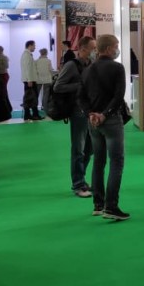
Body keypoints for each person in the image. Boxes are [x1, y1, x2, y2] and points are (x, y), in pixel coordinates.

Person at [79, 34, 129, 220]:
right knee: (116, 162)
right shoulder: (117, 68)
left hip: (93, 122)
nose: (117, 49)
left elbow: (80, 97)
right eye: (116, 46)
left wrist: (90, 114)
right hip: (111, 121)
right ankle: (111, 206)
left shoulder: (87, 70)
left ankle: (98, 204)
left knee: (98, 162)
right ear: (108, 48)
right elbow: (119, 96)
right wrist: (105, 114)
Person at [53, 36, 96, 197]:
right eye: (92, 48)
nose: (95, 51)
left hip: (90, 110)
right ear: (83, 49)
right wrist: (81, 86)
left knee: (90, 148)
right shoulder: (71, 65)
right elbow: (58, 87)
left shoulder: (91, 64)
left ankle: (82, 179)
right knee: (78, 148)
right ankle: (78, 184)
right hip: (77, 111)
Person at [20, 40, 41, 121]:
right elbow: (27, 68)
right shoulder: (26, 55)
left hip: (30, 79)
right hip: (29, 80)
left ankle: (29, 115)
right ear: (30, 45)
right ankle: (33, 115)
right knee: (31, 98)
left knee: (30, 98)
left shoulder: (28, 54)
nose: (35, 47)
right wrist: (29, 80)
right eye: (34, 45)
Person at [35, 48, 55, 115]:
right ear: (46, 53)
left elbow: (35, 70)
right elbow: (51, 70)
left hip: (38, 80)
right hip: (47, 80)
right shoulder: (48, 61)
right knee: (46, 95)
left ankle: (35, 108)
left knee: (36, 94)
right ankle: (45, 109)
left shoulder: (36, 61)